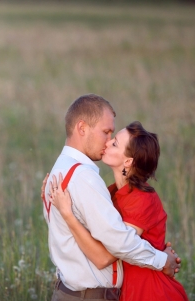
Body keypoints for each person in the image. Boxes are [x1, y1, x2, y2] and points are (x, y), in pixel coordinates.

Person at [41, 94, 181, 301]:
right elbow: (112, 249)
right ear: (82, 128)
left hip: (112, 292)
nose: (108, 142)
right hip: (89, 295)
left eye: (114, 139)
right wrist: (162, 259)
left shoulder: (60, 170)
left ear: (129, 161)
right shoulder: (85, 178)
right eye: (106, 133)